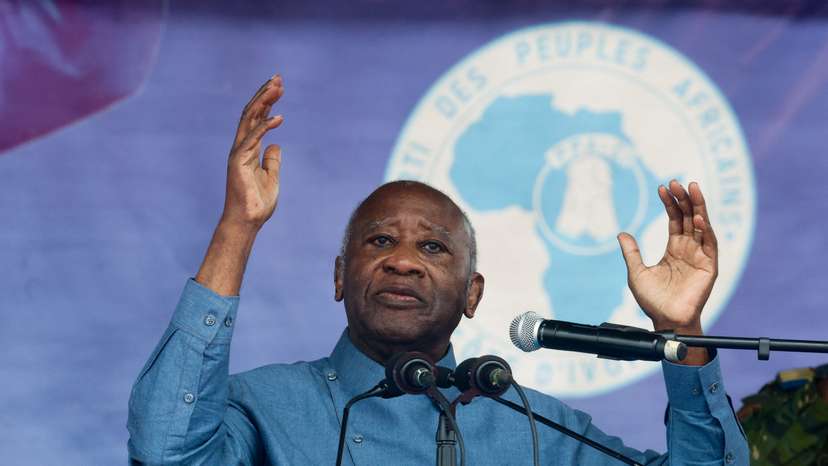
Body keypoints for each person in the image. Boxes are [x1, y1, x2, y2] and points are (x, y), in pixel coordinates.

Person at [127, 74, 749, 465]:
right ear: (340, 277)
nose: (402, 260)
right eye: (378, 242)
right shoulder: (265, 406)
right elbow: (165, 452)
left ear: (473, 293)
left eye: (433, 249)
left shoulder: (534, 426)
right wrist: (238, 227)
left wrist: (683, 329)